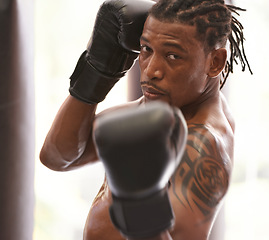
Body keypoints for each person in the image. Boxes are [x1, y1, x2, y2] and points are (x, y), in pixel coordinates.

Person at [40, 0, 252, 239]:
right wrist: (96, 73)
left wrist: (136, 200)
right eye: (146, 49)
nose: (151, 71)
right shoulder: (161, 109)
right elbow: (59, 157)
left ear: (215, 62)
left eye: (173, 56)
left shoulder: (202, 142)